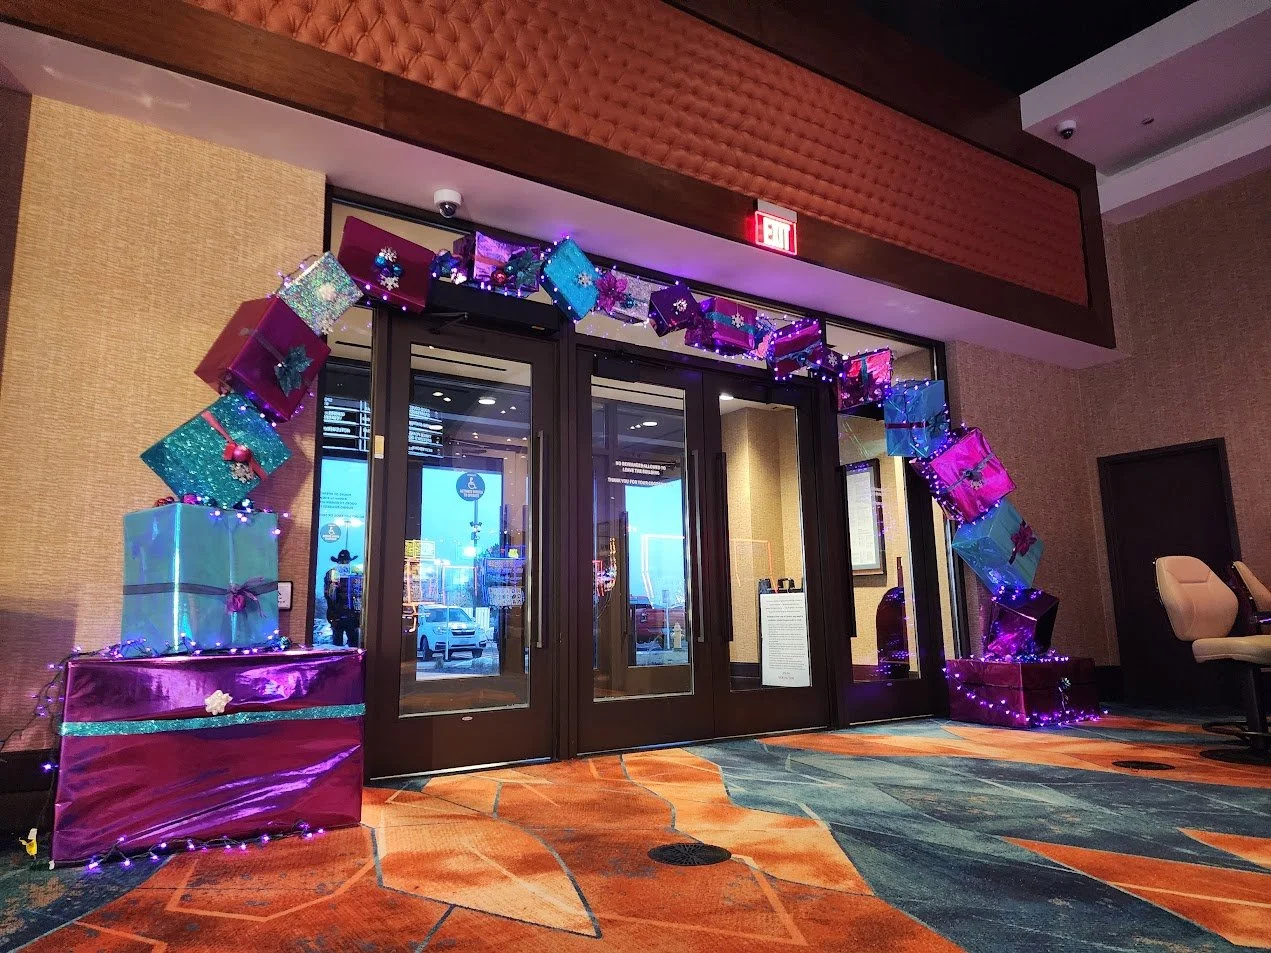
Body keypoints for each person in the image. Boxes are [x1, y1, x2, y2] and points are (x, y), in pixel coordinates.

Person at [324, 550, 362, 648]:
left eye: (345, 562)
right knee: (338, 645)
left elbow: (359, 594)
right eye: (342, 562)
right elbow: (328, 595)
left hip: (351, 615)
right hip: (338, 615)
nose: (343, 564)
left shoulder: (356, 573)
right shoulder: (332, 574)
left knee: (353, 645)